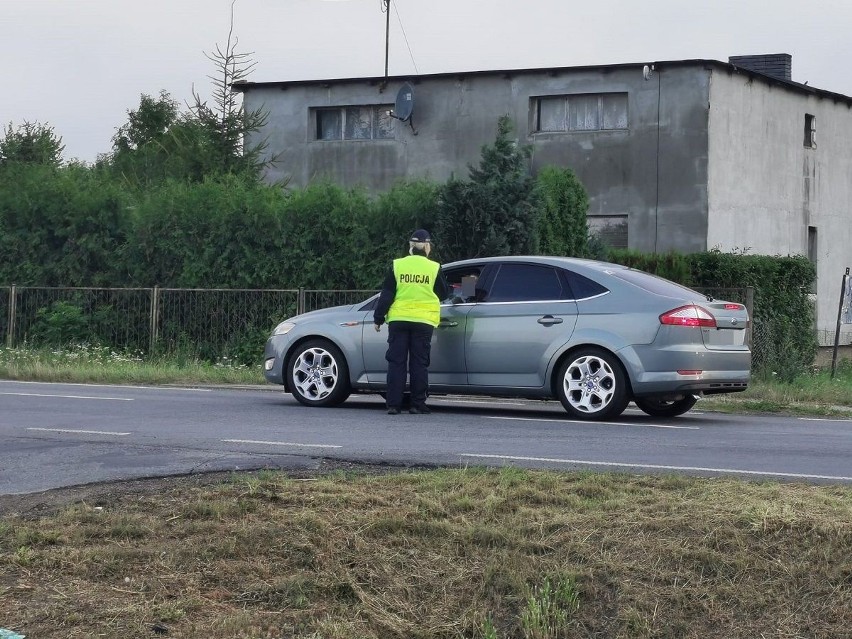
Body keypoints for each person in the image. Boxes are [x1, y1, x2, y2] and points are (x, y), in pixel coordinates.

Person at [373, 229, 448, 415]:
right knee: (419, 363)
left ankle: (393, 405)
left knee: (396, 362)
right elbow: (444, 294)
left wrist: (378, 318)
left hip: (399, 320)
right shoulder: (434, 267)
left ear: (410, 247)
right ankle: (417, 404)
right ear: (427, 247)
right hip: (423, 321)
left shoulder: (397, 265)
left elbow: (387, 294)